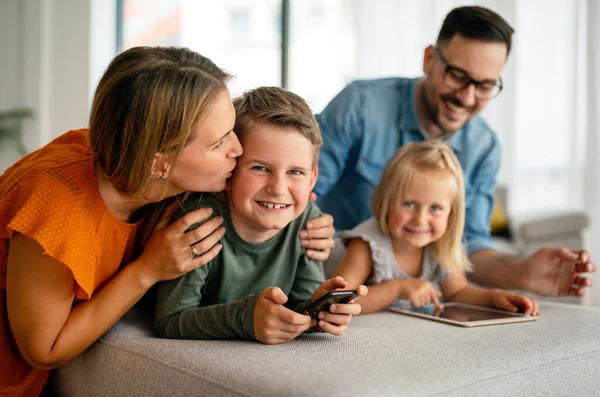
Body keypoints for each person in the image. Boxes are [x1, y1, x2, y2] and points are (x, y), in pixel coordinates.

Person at [0, 47, 334, 396]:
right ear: (160, 161)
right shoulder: (57, 207)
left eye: (232, 130)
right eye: (220, 142)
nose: (238, 149)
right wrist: (148, 270)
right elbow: (43, 350)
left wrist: (302, 221)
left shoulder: (145, 168)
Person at [314, 6, 595, 298]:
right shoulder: (360, 107)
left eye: (485, 86)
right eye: (458, 75)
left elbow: (469, 244)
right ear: (428, 59)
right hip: (339, 273)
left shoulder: (483, 147)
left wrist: (520, 272)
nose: (467, 97)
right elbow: (302, 192)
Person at [154, 87, 367, 344]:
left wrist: (318, 310)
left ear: (312, 179)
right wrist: (244, 318)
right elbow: (170, 320)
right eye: (260, 168)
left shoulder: (307, 220)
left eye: (295, 172)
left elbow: (299, 304)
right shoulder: (198, 222)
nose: (278, 188)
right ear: (231, 172)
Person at [332, 140, 538, 316]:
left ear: (451, 214)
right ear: (386, 202)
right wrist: (396, 289)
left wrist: (496, 297)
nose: (421, 220)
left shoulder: (440, 245)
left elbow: (457, 293)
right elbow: (338, 302)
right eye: (409, 204)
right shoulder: (366, 244)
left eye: (436, 208)